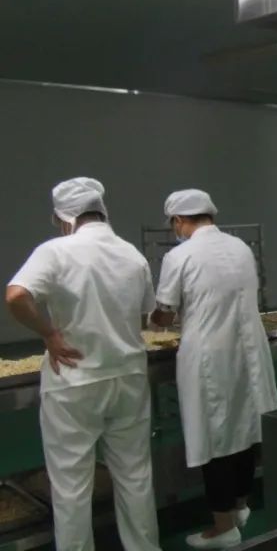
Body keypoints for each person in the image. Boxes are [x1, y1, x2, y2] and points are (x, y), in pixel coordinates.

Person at [5, 178, 161, 551]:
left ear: (65, 218)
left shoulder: (56, 251)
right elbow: (145, 315)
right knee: (135, 476)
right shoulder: (132, 255)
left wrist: (48, 333)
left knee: (71, 486)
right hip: (128, 377)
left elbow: (16, 296)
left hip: (75, 382)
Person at [149, 189, 277, 549]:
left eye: (174, 224)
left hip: (210, 355)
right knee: (245, 429)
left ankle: (223, 528)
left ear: (178, 220)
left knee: (216, 439)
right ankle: (240, 506)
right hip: (249, 352)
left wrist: (150, 317)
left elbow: (165, 314)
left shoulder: (179, 256)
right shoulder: (241, 248)